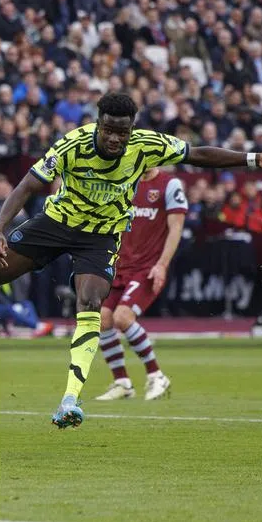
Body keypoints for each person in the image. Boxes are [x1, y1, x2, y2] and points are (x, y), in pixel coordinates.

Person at [0, 92, 262, 428]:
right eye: (108, 130)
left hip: (100, 239)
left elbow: (198, 154)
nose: (115, 138)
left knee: (94, 306)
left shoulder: (150, 150)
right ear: (98, 123)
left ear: (133, 128)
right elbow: (29, 183)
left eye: (123, 132)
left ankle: (72, 398)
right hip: (57, 222)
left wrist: (252, 159)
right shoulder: (73, 144)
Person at [94, 168, 187, 401]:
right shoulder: (123, 182)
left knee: (122, 318)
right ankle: (122, 382)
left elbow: (176, 228)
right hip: (120, 266)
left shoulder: (169, 184)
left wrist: (162, 265)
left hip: (147, 268)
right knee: (103, 319)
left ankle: (157, 375)